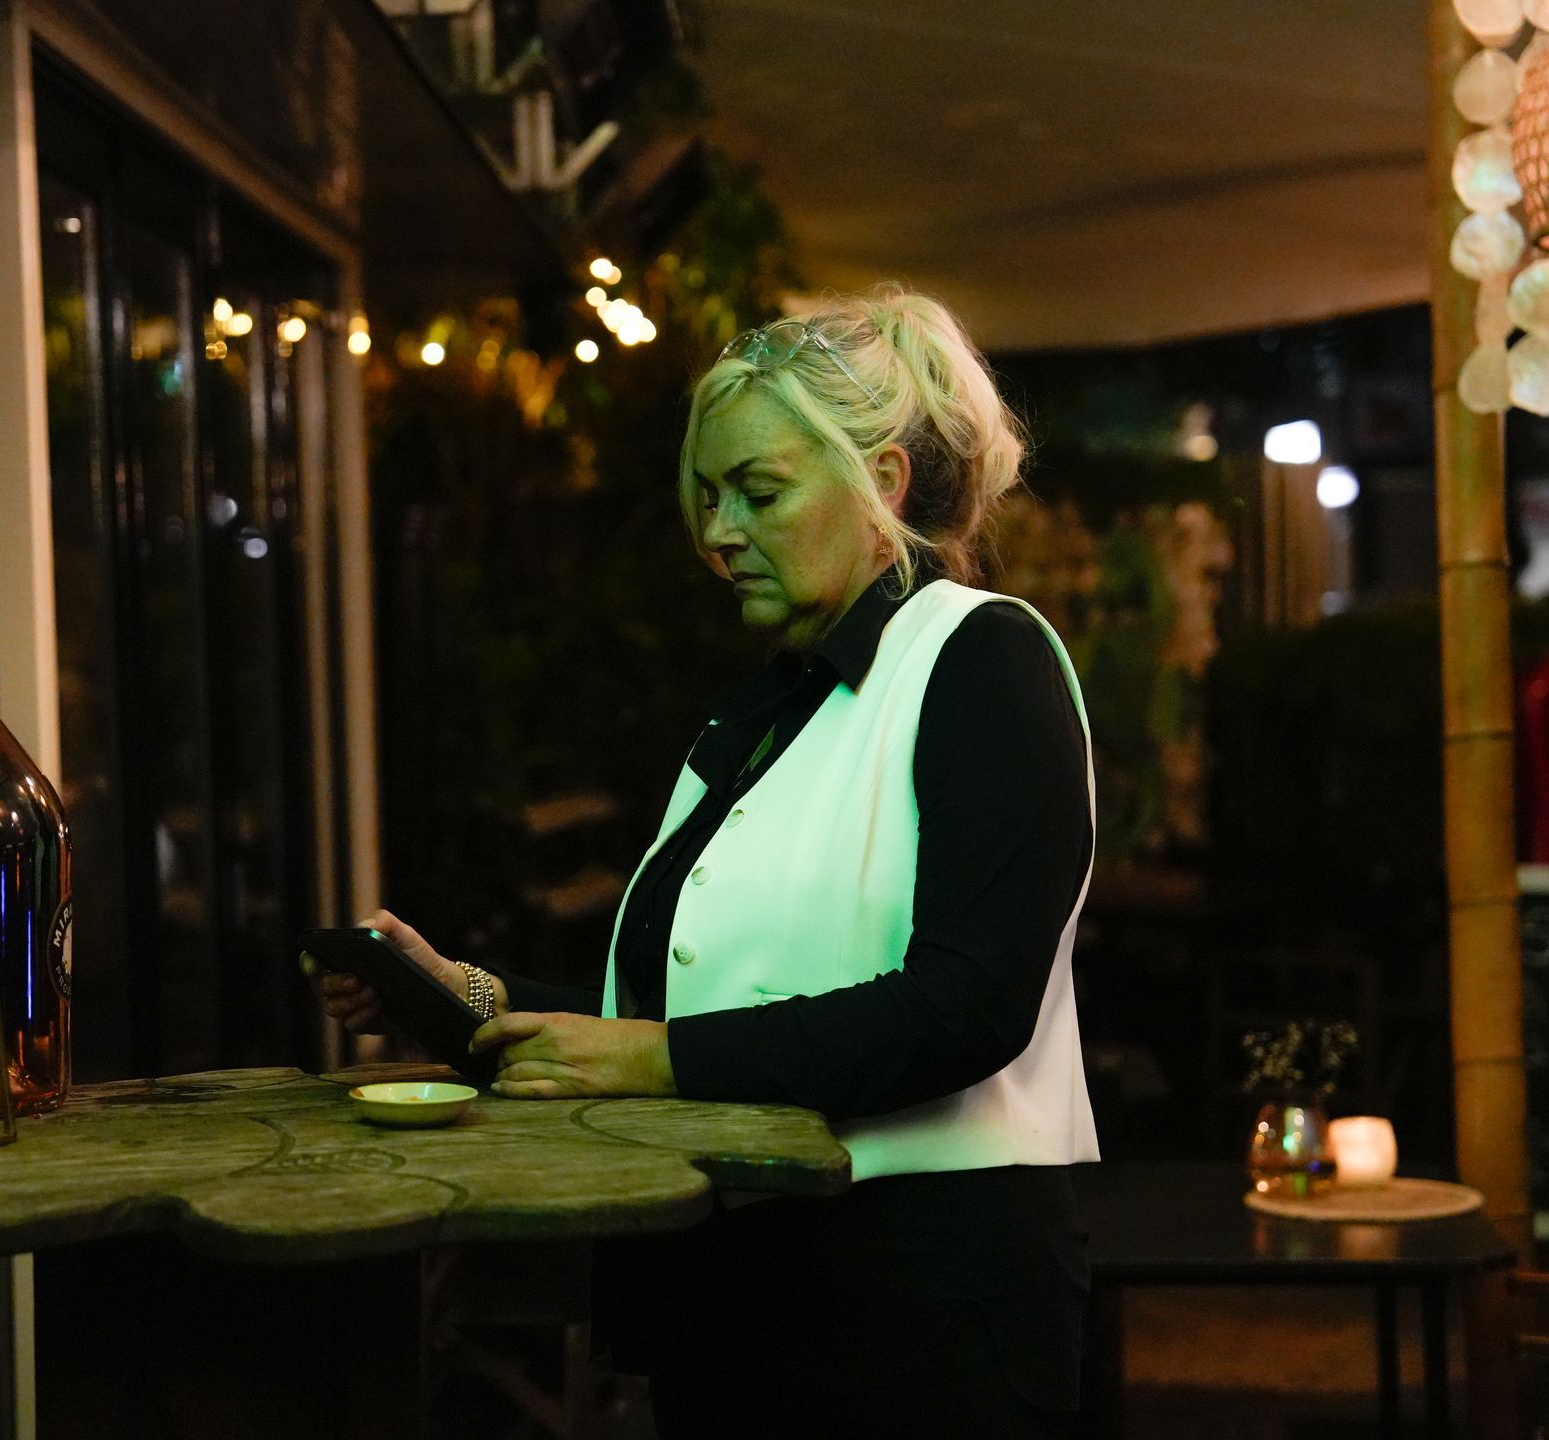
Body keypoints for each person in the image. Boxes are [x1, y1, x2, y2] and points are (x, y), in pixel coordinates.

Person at [310, 283, 1098, 1438]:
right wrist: (461, 997)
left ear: (881, 482)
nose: (720, 532)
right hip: (754, 1302)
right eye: (710, 495)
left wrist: (651, 1060)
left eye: (759, 492)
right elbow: (696, 1016)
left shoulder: (983, 658)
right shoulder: (769, 713)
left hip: (920, 1317)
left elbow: (968, 1008)